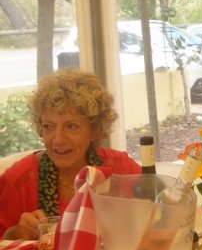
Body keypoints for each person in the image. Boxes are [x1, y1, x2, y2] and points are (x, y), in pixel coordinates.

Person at [0, 68, 141, 240]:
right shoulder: (18, 181)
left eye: (71, 126)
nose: (58, 139)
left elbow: (163, 213)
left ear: (95, 130)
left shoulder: (121, 168)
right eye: (48, 126)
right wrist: (15, 233)